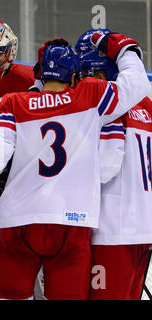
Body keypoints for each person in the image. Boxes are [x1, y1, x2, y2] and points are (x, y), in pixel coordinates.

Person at [0, 32, 151, 300]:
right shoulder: (91, 94)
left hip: (17, 221)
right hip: (71, 221)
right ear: (73, 77)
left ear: (42, 76)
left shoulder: (13, 102)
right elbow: (136, 83)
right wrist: (127, 49)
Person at [77, 31, 152, 300]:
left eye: (90, 73)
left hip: (111, 230)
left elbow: (106, 166)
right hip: (143, 227)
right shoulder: (146, 104)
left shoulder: (109, 106)